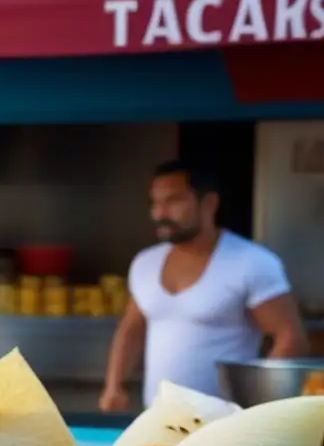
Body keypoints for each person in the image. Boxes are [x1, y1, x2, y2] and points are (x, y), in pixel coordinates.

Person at [100, 160, 308, 411]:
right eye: (155, 202)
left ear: (209, 203)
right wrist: (114, 386)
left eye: (174, 201)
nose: (160, 213)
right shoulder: (145, 263)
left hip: (224, 423)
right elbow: (131, 330)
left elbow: (290, 337)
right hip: (157, 421)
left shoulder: (251, 262)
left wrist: (260, 406)